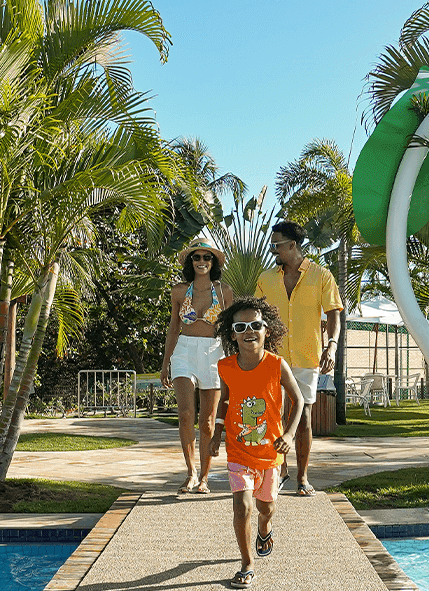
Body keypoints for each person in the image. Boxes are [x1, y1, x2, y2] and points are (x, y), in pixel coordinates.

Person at [211, 297, 304, 590]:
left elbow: (298, 400)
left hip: (269, 452)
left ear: (267, 330)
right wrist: (216, 432)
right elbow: (225, 400)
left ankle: (265, 528)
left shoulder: (277, 365)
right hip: (238, 451)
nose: (249, 331)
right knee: (242, 507)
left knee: (265, 507)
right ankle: (247, 564)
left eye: (255, 325)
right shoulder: (225, 366)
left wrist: (288, 435)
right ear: (233, 333)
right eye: (241, 326)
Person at [253, 220, 343, 496]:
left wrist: (332, 346)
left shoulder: (322, 276)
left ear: (292, 245)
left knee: (303, 417)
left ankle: (303, 477)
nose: (273, 250)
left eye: (276, 245)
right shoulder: (266, 279)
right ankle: (279, 473)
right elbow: (257, 316)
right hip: (272, 358)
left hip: (306, 357)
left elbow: (333, 315)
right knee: (271, 417)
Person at [161, 239, 234, 494]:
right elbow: (173, 328)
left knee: (208, 420)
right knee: (185, 415)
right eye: (196, 258)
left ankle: (205, 477)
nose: (201, 262)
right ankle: (190, 473)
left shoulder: (224, 292)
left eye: (206, 258)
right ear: (190, 262)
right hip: (184, 350)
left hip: (214, 352)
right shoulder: (180, 291)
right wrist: (165, 363)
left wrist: (235, 364)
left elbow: (230, 330)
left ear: (213, 263)